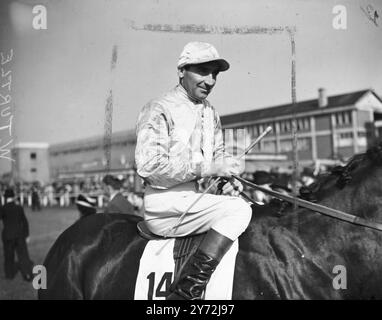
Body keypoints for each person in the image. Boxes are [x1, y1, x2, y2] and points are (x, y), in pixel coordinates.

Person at [135, 42, 252, 300]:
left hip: (196, 201)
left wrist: (225, 182)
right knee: (239, 210)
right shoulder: (158, 107)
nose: (210, 81)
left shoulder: (211, 112)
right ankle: (186, 292)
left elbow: (218, 156)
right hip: (165, 203)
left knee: (246, 203)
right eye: (202, 71)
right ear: (181, 71)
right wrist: (209, 167)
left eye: (215, 74)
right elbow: (149, 166)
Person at [0, 188, 33, 281]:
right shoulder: (19, 207)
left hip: (7, 236)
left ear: (5, 197)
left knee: (8, 256)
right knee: (23, 256)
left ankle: (9, 274)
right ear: (14, 197)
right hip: (19, 235)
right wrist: (27, 235)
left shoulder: (3, 208)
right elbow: (25, 222)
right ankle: (27, 275)